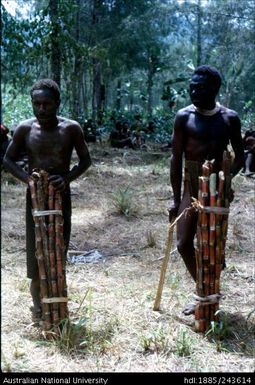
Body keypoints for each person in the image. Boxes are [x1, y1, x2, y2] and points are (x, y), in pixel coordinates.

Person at [3, 79, 92, 323]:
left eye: (47, 104)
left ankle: (56, 303)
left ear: (57, 104)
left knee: (57, 251)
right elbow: (7, 160)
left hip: (60, 198)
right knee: (36, 253)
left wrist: (67, 178)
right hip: (34, 199)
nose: (41, 109)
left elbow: (86, 160)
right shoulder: (24, 128)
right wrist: (28, 180)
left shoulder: (71, 129)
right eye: (36, 104)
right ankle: (37, 308)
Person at [169, 65, 245, 314]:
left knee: (213, 245)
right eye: (191, 87)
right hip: (192, 185)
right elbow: (176, 158)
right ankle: (202, 288)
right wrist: (175, 197)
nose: (193, 91)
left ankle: (207, 292)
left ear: (215, 88)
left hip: (217, 189)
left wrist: (225, 182)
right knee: (183, 243)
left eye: (200, 88)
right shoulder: (184, 117)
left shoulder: (229, 118)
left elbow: (240, 157)